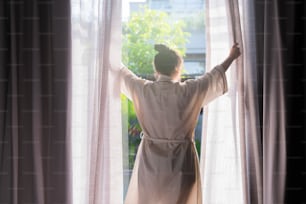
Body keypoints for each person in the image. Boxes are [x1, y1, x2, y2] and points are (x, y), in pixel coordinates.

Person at [120, 43, 241, 204]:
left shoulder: (143, 90)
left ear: (156, 68)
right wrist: (231, 57)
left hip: (151, 165)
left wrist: (108, 49)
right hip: (182, 164)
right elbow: (213, 77)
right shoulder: (189, 91)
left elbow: (122, 73)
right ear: (178, 68)